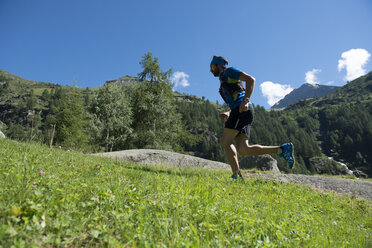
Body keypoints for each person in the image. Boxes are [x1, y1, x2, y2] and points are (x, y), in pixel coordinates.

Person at [210, 56, 295, 179]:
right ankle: (282, 150)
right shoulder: (223, 82)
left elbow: (251, 79)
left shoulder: (228, 72)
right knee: (243, 149)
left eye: (212, 67)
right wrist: (229, 113)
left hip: (242, 110)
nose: (211, 70)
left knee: (225, 141)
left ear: (218, 65)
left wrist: (246, 101)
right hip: (240, 110)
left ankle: (236, 176)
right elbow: (236, 98)